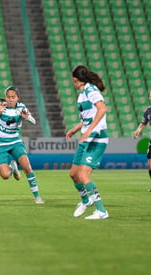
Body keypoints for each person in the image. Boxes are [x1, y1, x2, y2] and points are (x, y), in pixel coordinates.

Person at [0, 86, 43, 204]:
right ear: (5, 97)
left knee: (27, 168)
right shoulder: (0, 106)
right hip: (0, 143)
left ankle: (37, 197)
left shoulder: (21, 107)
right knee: (5, 175)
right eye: (8, 97)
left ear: (17, 98)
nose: (10, 99)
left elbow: (34, 121)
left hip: (15, 142)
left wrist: (27, 118)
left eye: (13, 97)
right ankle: (12, 168)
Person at [65, 65, 109, 219]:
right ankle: (86, 200)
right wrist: (75, 129)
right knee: (74, 175)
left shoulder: (91, 90)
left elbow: (102, 109)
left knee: (83, 175)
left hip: (97, 138)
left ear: (77, 80)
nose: (73, 83)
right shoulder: (83, 94)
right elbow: (87, 118)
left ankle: (102, 211)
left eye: (73, 81)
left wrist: (90, 129)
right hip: (86, 138)